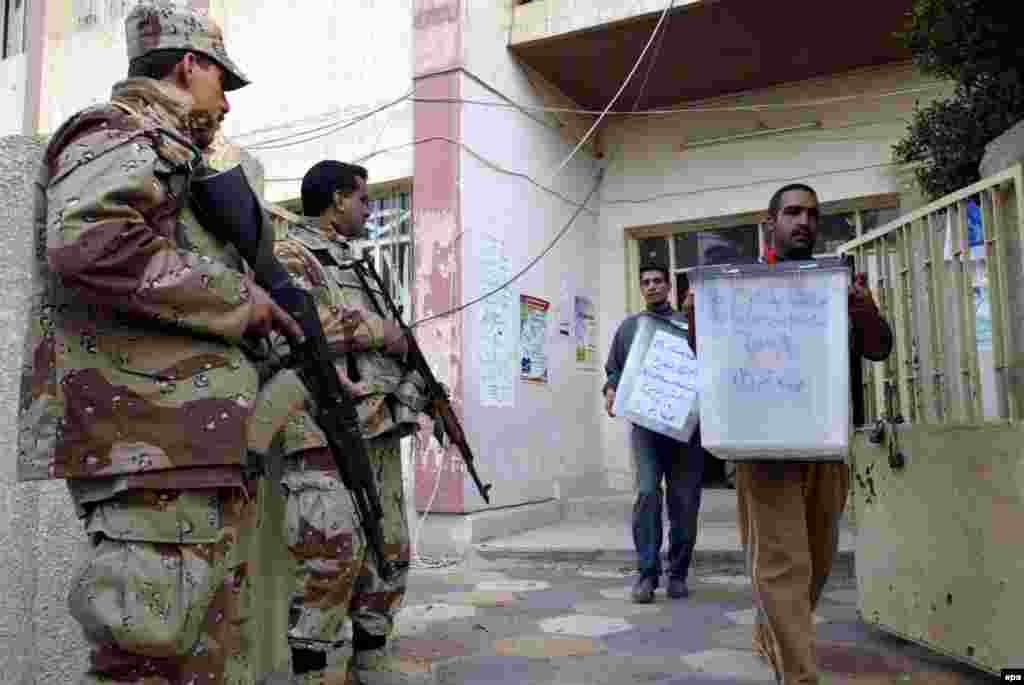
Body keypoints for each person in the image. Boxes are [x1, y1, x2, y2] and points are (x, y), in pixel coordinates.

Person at [16, 3, 303, 684]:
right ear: (190, 64)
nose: (226, 104)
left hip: (187, 448)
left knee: (199, 657)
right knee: (148, 655)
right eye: (221, 83)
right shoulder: (120, 132)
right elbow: (88, 237)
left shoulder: (171, 156)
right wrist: (240, 298)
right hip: (147, 442)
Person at [686, 183, 893, 685]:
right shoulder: (737, 285)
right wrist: (699, 316)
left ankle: (769, 630)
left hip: (825, 446)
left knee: (818, 564)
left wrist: (862, 306)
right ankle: (798, 675)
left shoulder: (835, 284)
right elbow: (712, 358)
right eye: (794, 212)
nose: (805, 221)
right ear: (770, 221)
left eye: (813, 215)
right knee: (783, 567)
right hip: (764, 448)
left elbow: (879, 348)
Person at [270, 160, 427, 683]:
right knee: (329, 556)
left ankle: (371, 656)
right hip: (323, 433)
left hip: (378, 429)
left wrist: (414, 392)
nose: (367, 210)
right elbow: (297, 327)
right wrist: (381, 331)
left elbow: (402, 346)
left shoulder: (361, 267)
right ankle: (311, 671)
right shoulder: (290, 255)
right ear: (338, 199)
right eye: (363, 200)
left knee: (391, 552)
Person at [603, 262, 705, 603]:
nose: (651, 286)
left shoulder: (690, 324)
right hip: (645, 428)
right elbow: (614, 369)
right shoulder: (631, 328)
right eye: (645, 281)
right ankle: (647, 575)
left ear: (668, 286)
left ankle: (677, 573)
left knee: (685, 502)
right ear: (641, 287)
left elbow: (710, 363)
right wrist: (611, 390)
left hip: (685, 431)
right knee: (647, 494)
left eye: (658, 281)